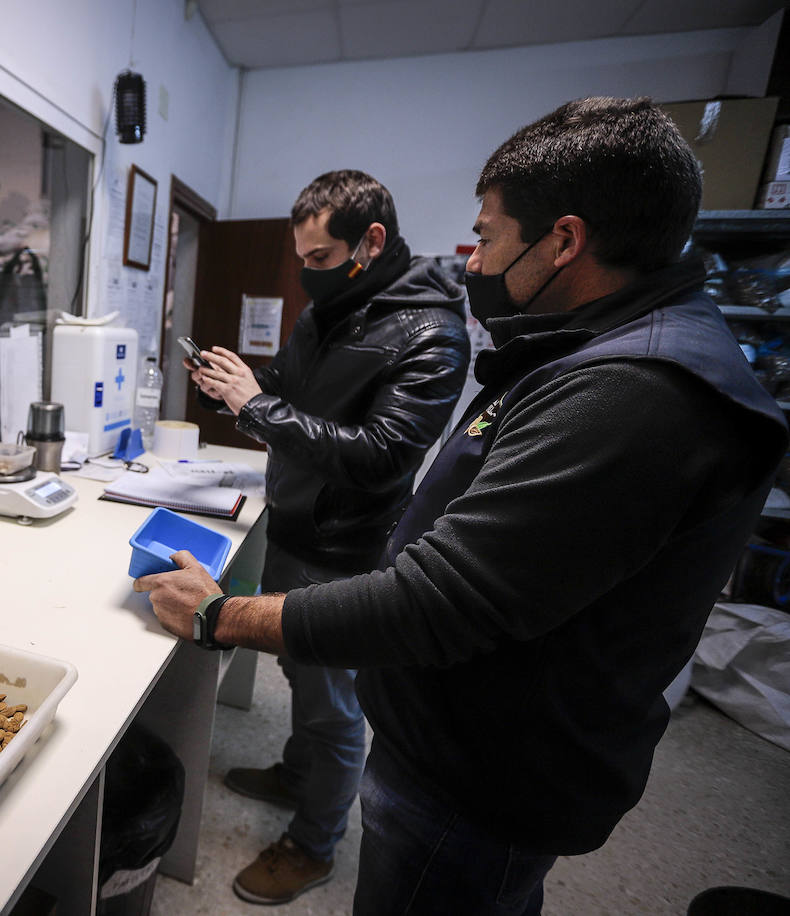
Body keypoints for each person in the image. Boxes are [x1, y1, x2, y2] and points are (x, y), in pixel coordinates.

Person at [142, 97, 789, 914]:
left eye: (486, 237)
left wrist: (222, 615)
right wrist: (257, 392)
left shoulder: (630, 391)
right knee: (320, 705)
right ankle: (303, 782)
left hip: (486, 769)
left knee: (356, 750)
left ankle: (312, 837)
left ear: (565, 239)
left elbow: (435, 578)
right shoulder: (583, 350)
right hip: (449, 722)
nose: (475, 263)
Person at [184, 170, 471, 904]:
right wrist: (240, 384)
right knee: (301, 679)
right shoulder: (329, 310)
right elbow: (282, 393)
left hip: (345, 550)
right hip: (293, 525)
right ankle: (297, 776)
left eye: (320, 259)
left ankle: (313, 846)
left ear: (370, 242)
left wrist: (257, 410)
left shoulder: (432, 332)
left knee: (332, 707)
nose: (308, 276)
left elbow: (382, 455)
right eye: (301, 258)